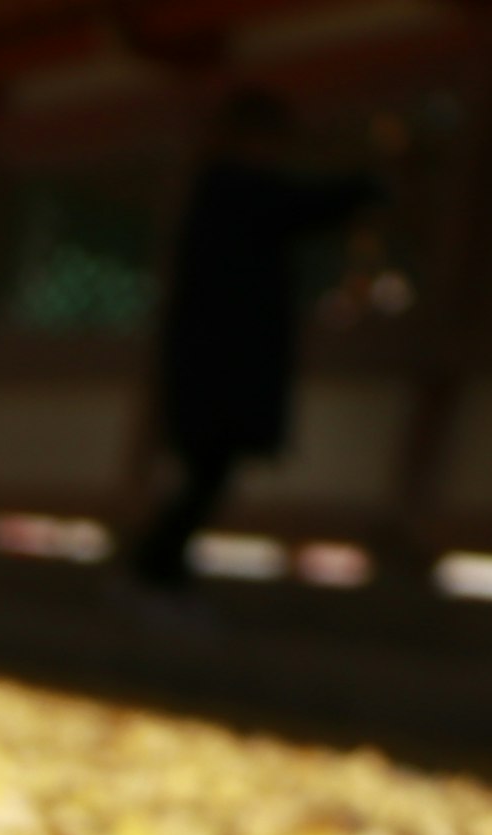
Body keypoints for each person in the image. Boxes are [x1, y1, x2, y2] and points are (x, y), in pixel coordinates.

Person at [132, 89, 378, 592]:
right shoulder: (230, 189)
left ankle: (158, 572)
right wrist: (370, 184)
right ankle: (155, 571)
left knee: (206, 473)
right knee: (206, 472)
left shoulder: (220, 191)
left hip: (213, 363)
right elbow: (300, 207)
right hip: (218, 363)